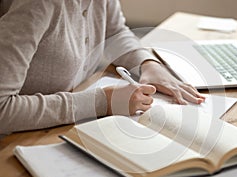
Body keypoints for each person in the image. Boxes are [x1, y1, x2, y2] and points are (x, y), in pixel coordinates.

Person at [0, 0, 205, 134]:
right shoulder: (37, 5)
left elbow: (114, 32)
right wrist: (102, 102)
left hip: (63, 127)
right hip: (17, 141)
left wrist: (148, 64)